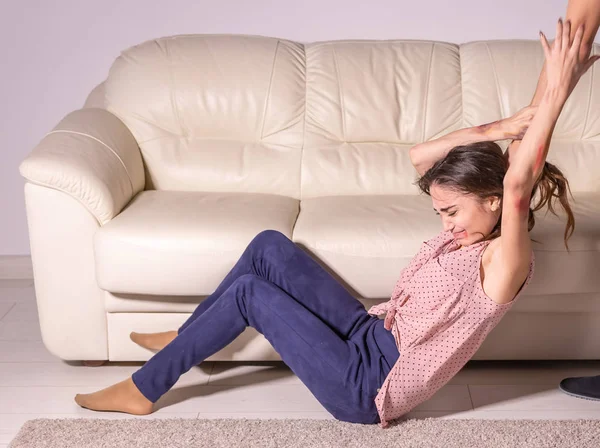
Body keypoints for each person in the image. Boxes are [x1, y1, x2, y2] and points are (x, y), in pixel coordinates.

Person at [73, 18, 598, 428]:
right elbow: (421, 155)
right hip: (370, 333)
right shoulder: (470, 223)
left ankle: (145, 389)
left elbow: (518, 181)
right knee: (269, 247)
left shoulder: (503, 261)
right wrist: (503, 125)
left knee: (251, 294)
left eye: (452, 212)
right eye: (440, 212)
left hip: (367, 385)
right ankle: (188, 335)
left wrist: (555, 98)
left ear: (495, 202)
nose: (445, 224)